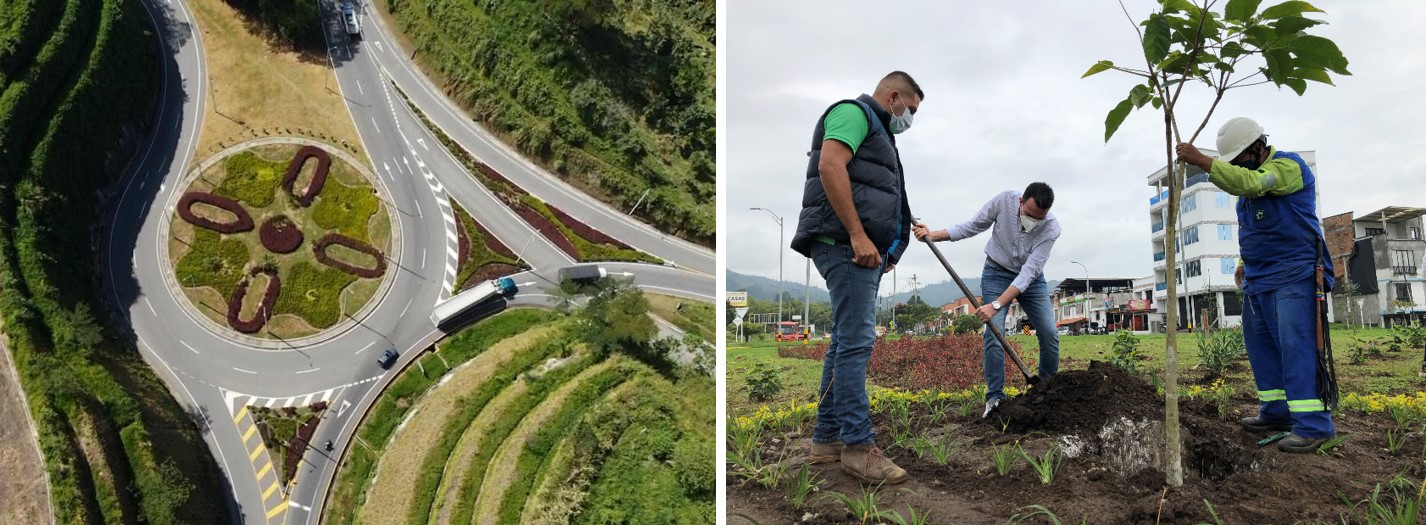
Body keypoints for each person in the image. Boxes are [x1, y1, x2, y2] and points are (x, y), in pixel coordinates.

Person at [790, 71, 923, 485]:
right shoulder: (854, 113)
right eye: (910, 109)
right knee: (857, 343)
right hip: (844, 244)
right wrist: (859, 235)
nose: (909, 118)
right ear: (894, 96)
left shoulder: (881, 134)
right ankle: (858, 447)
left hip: (859, 248)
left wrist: (890, 244)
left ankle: (827, 440)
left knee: (844, 342)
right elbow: (830, 166)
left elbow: (878, 192)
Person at [1176, 116, 1335, 453]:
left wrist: (1202, 161)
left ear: (1257, 147)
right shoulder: (1246, 193)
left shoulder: (1288, 167)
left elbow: (1253, 183)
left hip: (1295, 274)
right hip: (1258, 279)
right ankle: (1277, 412)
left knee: (1297, 348)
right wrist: (1242, 263)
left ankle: (1313, 425)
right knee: (1261, 348)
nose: (1236, 167)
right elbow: (1254, 231)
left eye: (1238, 160)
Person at [912, 183, 1062, 417]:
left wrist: (996, 305)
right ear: (1021, 202)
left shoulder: (1051, 229)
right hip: (996, 273)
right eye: (1029, 215)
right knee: (994, 334)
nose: (1033, 221)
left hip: (1031, 280)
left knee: (1050, 333)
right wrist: (933, 235)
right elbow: (972, 226)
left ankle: (1045, 394)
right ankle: (995, 398)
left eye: (1038, 219)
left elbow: (1028, 273)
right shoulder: (1004, 201)